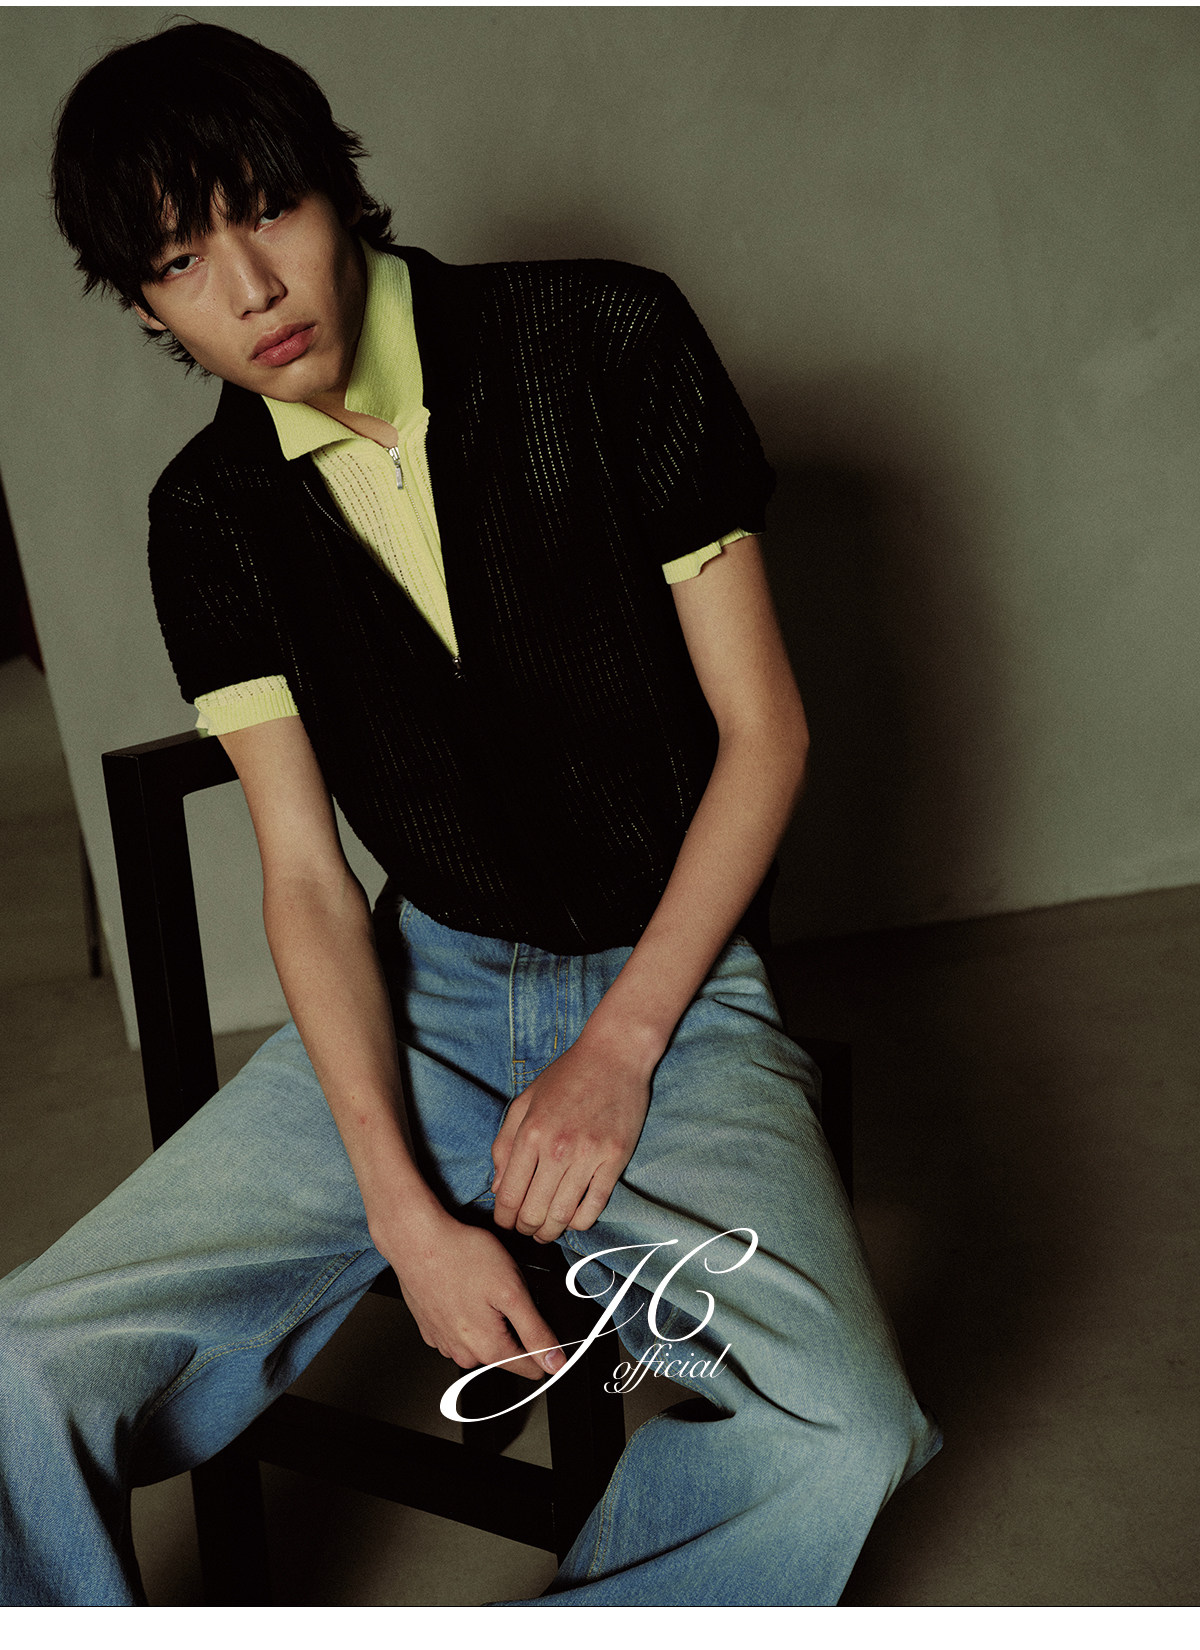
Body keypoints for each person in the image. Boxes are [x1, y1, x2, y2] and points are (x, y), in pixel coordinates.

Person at [0, 20, 940, 1606]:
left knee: (849, 1429)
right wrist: (400, 1206)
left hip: (673, 984)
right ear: (144, 302)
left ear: (337, 187)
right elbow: (305, 877)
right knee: (22, 1363)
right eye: (181, 261)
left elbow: (764, 732)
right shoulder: (209, 517)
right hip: (417, 989)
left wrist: (620, 1049)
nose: (252, 289)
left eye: (269, 210)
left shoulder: (606, 341)